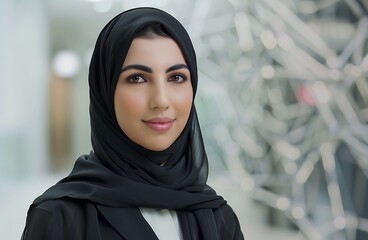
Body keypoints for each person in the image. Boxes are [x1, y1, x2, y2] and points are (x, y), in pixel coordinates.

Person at [21, 7, 244, 240]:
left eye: (176, 77)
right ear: (105, 93)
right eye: (137, 78)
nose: (161, 100)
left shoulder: (219, 217)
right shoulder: (59, 217)